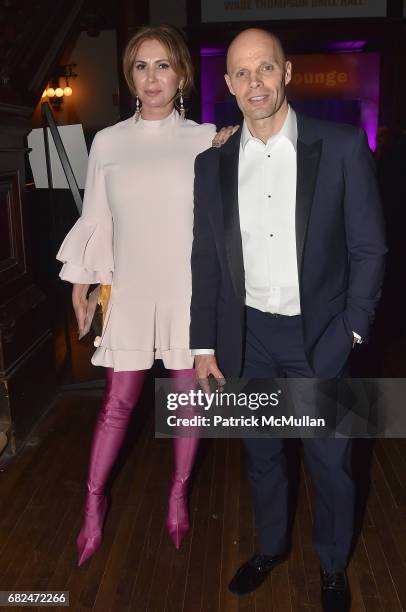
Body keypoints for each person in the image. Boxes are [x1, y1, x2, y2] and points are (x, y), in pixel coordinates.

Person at [190, 28, 386, 611]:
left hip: (320, 338)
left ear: (288, 73)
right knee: (263, 454)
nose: (256, 83)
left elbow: (370, 248)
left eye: (266, 69)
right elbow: (204, 259)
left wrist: (352, 329)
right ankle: (271, 546)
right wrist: (205, 345)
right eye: (242, 73)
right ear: (227, 84)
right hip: (246, 340)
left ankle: (331, 565)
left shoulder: (344, 146)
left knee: (332, 462)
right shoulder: (212, 164)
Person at [56, 24, 234, 567]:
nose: (151, 77)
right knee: (117, 403)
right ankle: (92, 502)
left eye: (162, 65)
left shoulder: (207, 138)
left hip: (189, 295)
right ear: (130, 77)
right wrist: (84, 285)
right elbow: (96, 218)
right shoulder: (108, 141)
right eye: (140, 66)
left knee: (187, 402)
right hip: (129, 291)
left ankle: (178, 492)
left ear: (182, 74)